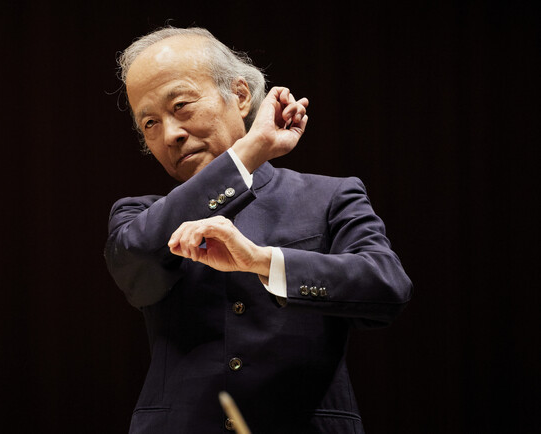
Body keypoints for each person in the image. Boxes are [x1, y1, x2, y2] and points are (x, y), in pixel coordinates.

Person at [105, 26, 412, 434]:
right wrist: (250, 151)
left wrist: (263, 262)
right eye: (149, 123)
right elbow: (137, 264)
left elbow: (387, 287)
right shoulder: (138, 214)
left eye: (180, 105)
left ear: (240, 95)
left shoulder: (331, 196)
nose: (170, 134)